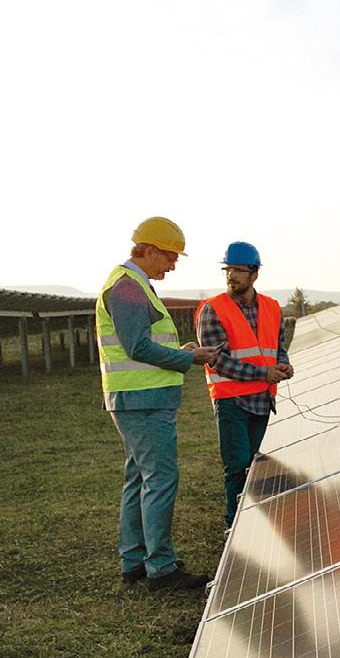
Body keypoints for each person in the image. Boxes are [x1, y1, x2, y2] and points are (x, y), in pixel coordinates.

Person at [97, 217, 220, 592]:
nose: (173, 265)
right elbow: (137, 347)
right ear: (147, 251)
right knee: (160, 480)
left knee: (139, 478)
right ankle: (161, 569)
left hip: (138, 398)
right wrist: (189, 358)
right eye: (169, 256)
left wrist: (180, 350)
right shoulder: (128, 287)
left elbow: (141, 344)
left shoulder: (132, 285)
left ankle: (135, 560)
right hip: (143, 400)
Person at [196, 241, 295, 527]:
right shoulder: (213, 309)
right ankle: (234, 526)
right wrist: (263, 373)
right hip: (231, 401)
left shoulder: (272, 307)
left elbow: (278, 348)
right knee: (237, 467)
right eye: (228, 270)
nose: (231, 276)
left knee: (257, 466)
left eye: (238, 270)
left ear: (254, 274)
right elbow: (217, 360)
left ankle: (256, 526)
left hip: (262, 400)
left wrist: (283, 365)